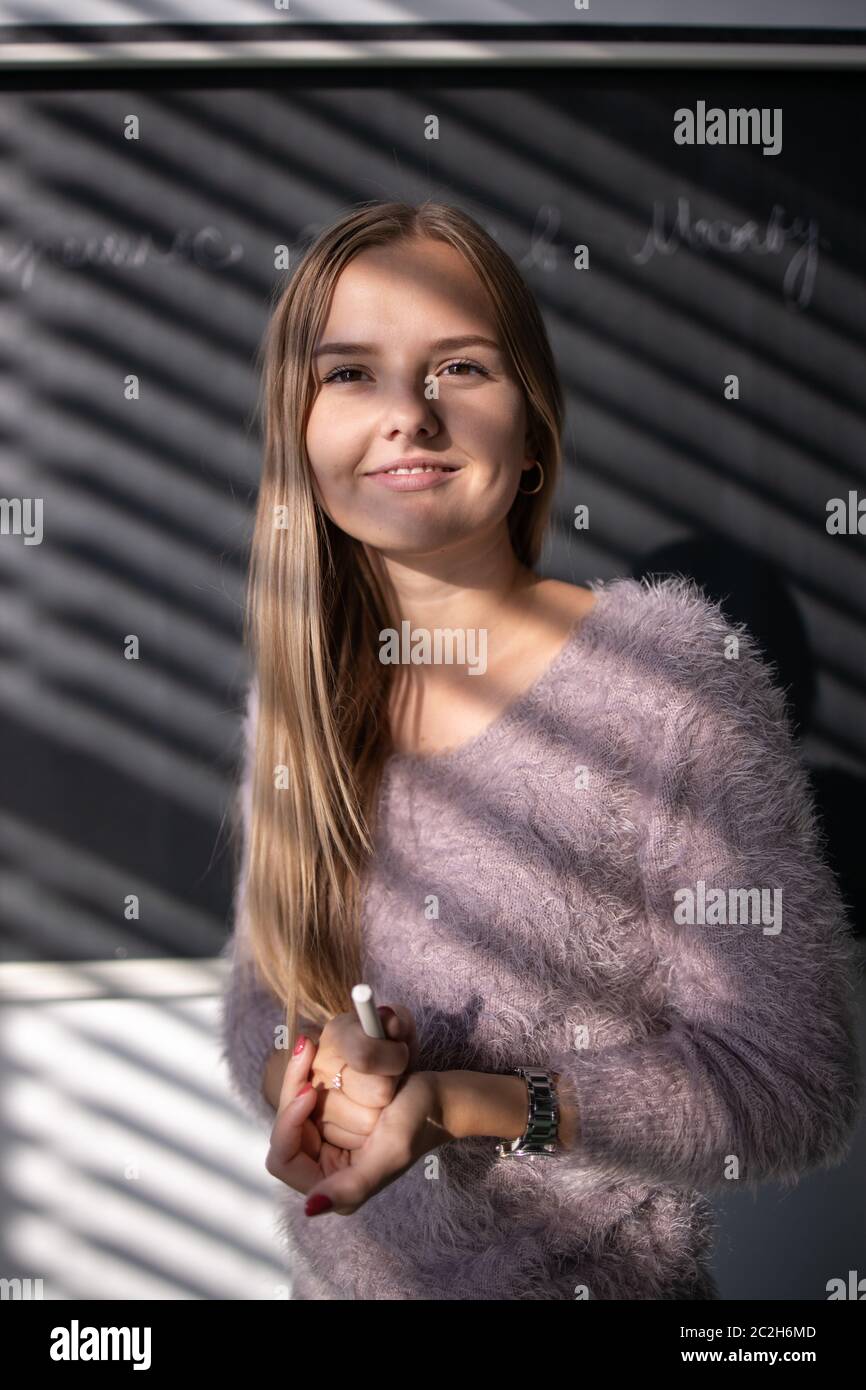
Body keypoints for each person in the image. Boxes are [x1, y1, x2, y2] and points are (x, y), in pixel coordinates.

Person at [219, 199, 862, 1300]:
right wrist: (315, 1078)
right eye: (350, 374)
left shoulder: (664, 683)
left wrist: (470, 1101)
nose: (408, 415)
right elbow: (258, 1009)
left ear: (530, 432)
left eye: (458, 367)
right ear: (299, 436)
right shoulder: (304, 698)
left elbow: (790, 1084)